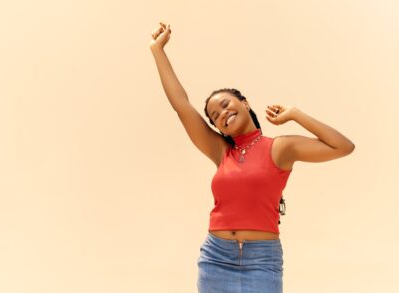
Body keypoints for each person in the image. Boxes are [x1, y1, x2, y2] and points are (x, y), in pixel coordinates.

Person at [149, 22, 355, 293]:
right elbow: (181, 105)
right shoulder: (221, 151)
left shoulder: (280, 148)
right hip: (215, 258)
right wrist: (157, 50)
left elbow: (343, 147)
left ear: (244, 103)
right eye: (215, 116)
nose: (222, 113)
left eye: (225, 104)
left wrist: (295, 113)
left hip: (263, 260)